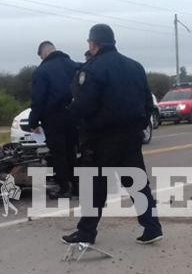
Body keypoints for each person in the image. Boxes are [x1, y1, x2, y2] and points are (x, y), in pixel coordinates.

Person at [64, 24, 163, 245]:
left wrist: (74, 122)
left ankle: (86, 233)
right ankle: (152, 227)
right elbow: (148, 101)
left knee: (95, 186)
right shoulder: (135, 66)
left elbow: (84, 105)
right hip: (131, 135)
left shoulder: (93, 69)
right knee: (137, 183)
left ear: (94, 43)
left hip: (101, 138)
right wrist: (140, 124)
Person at [29, 41, 80, 198]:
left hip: (53, 118)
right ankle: (77, 187)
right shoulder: (75, 66)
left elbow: (39, 99)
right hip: (74, 116)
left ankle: (65, 188)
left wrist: (33, 121)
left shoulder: (42, 71)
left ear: (43, 53)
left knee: (59, 154)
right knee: (72, 151)